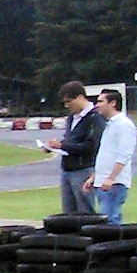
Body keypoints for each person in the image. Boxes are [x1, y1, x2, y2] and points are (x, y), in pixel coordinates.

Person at [42, 82, 104, 214]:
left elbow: (91, 146)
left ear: (80, 97)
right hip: (67, 168)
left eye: (69, 101)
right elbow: (70, 140)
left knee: (85, 209)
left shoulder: (95, 117)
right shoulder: (72, 117)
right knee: (68, 211)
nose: (67, 105)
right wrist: (53, 146)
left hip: (83, 169)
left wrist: (62, 145)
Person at [83, 88, 136, 224]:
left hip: (114, 183)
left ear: (113, 103)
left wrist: (111, 178)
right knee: (104, 221)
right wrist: (94, 177)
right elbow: (106, 154)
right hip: (103, 181)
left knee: (110, 221)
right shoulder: (110, 125)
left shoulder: (124, 125)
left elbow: (124, 154)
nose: (97, 105)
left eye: (101, 101)